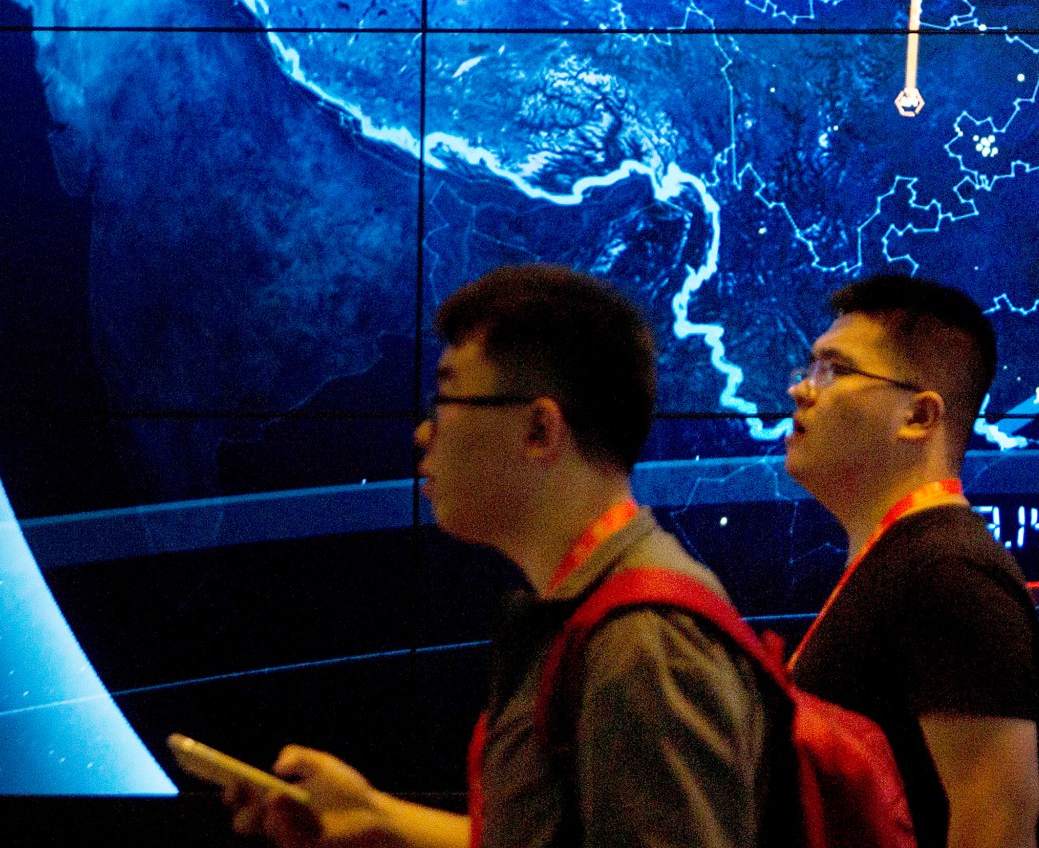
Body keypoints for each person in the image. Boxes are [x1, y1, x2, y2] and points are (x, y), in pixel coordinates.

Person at [220, 264, 768, 848]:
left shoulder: (643, 643)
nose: (423, 434)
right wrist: (378, 819)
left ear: (539, 430)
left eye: (447, 398)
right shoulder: (595, 613)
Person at [782, 275, 1039, 848]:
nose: (803, 390)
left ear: (920, 417)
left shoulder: (951, 576)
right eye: (810, 366)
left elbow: (996, 825)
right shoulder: (904, 559)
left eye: (836, 370)